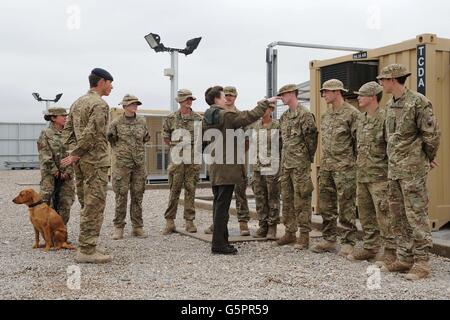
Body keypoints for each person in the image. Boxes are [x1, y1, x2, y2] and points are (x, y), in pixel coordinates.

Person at [378, 64, 440, 280]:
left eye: (383, 79)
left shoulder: (418, 102)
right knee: (398, 214)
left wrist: (427, 158)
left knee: (416, 214)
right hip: (395, 169)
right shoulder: (390, 103)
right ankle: (404, 257)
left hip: (412, 169)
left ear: (393, 80)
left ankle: (422, 262)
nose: (381, 83)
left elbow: (431, 135)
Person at [202, 86, 275, 254]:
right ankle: (219, 244)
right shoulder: (225, 115)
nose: (225, 99)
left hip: (215, 165)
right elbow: (247, 116)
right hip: (227, 167)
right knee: (222, 206)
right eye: (223, 96)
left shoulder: (207, 116)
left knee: (218, 203)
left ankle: (221, 239)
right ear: (217, 99)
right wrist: (265, 103)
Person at [61, 67, 114, 264]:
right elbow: (92, 132)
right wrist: (77, 153)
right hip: (95, 161)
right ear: (101, 82)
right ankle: (86, 250)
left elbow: (66, 131)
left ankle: (88, 243)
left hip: (82, 162)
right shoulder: (99, 104)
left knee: (86, 201)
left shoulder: (77, 102)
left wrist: (74, 152)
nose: (111, 87)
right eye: (110, 83)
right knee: (95, 203)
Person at [347, 82, 396, 264]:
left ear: (373, 96)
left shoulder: (385, 119)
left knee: (384, 215)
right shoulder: (361, 119)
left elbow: (392, 149)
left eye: (362, 94)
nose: (358, 97)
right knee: (366, 215)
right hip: (363, 175)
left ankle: (391, 251)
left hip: (380, 177)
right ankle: (370, 247)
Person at [311, 79, 359, 256]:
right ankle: (329, 239)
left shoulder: (352, 114)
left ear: (337, 92)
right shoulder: (326, 115)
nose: (323, 95)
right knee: (326, 205)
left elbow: (358, 142)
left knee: (347, 204)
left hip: (345, 168)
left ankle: (348, 241)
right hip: (327, 167)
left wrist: (353, 164)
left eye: (326, 92)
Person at [204, 86, 251, 236]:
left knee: (240, 190)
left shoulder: (238, 115)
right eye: (227, 95)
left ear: (236, 97)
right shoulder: (215, 115)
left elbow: (247, 139)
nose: (229, 97)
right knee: (220, 196)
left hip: (236, 159)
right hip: (220, 160)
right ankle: (218, 225)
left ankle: (243, 222)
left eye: (232, 95)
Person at [277, 84, 318, 249]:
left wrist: (306, 158)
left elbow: (311, 140)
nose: (281, 98)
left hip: (300, 165)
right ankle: (289, 232)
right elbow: (283, 142)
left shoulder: (305, 115)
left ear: (292, 94)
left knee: (302, 199)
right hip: (286, 165)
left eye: (283, 95)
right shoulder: (284, 117)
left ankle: (304, 234)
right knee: (286, 199)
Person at [108, 94, 150, 240]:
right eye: (132, 104)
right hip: (122, 165)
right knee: (121, 196)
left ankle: (137, 227)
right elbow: (111, 140)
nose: (135, 106)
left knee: (138, 196)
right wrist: (122, 153)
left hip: (138, 164)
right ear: (124, 106)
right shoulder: (116, 122)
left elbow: (145, 138)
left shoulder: (142, 121)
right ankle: (118, 227)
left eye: (136, 104)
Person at [162, 89, 203, 235]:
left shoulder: (198, 119)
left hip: (192, 160)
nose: (189, 101)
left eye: (190, 98)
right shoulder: (171, 118)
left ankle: (189, 221)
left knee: (191, 190)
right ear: (179, 101)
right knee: (174, 190)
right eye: (186, 99)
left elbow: (201, 140)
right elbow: (166, 137)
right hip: (177, 161)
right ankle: (170, 220)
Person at [37, 107, 75, 226]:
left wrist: (68, 172)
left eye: (66, 116)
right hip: (50, 175)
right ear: (53, 118)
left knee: (66, 202)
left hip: (67, 175)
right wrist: (55, 172)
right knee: (46, 203)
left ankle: (60, 232)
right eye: (62, 116)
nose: (65, 118)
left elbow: (73, 153)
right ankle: (48, 234)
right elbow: (44, 155)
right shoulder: (46, 134)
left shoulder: (69, 133)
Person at [250, 102, 281, 240]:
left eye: (266, 108)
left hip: (271, 167)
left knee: (272, 196)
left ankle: (272, 226)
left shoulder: (277, 126)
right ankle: (263, 225)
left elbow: (282, 146)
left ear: (271, 110)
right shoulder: (255, 126)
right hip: (257, 167)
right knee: (260, 197)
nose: (263, 111)